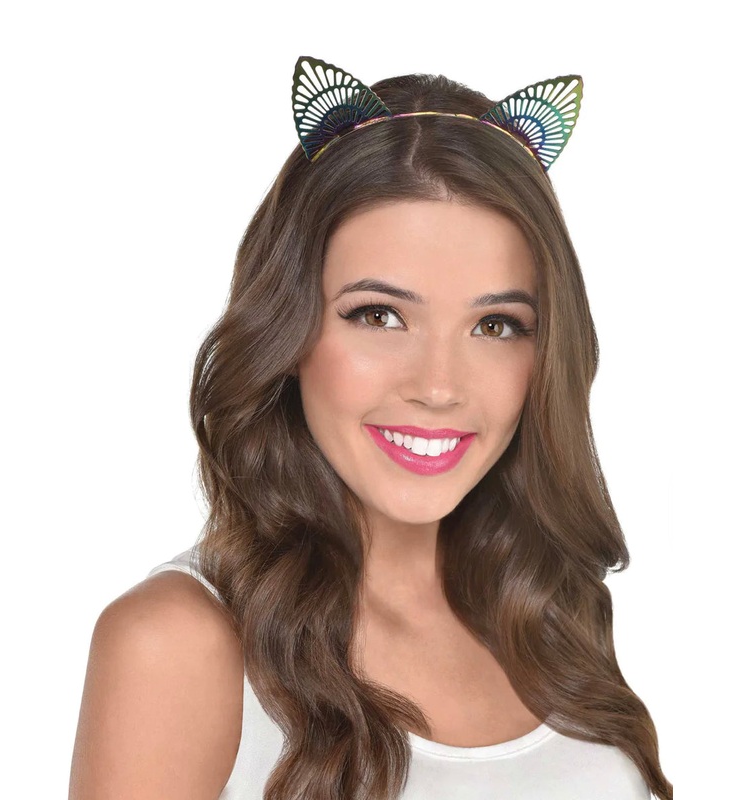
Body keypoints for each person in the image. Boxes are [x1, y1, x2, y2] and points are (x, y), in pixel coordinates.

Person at [68, 56, 673, 799]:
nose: (439, 387)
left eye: (495, 324)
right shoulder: (177, 646)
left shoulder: (549, 614)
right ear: (289, 330)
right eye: (379, 316)